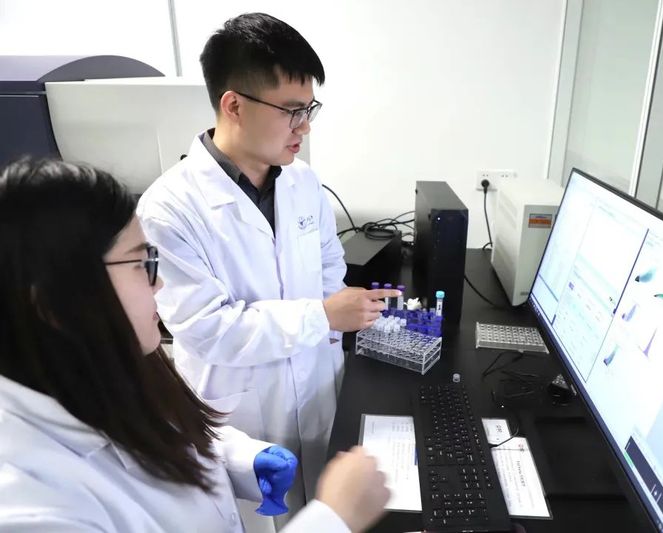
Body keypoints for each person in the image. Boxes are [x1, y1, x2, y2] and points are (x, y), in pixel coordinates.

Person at [0, 158, 390, 532]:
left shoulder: (107, 370)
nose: (159, 283)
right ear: (56, 301)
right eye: (140, 264)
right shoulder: (24, 503)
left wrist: (239, 459)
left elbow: (164, 436)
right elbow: (210, 327)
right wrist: (334, 519)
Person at [136, 12, 398, 526]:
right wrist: (322, 316)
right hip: (242, 416)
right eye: (292, 111)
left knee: (331, 511)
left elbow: (329, 268)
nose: (305, 127)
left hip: (319, 394)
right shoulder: (169, 208)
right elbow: (208, 328)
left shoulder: (304, 183)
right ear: (233, 104)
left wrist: (331, 313)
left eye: (310, 109)